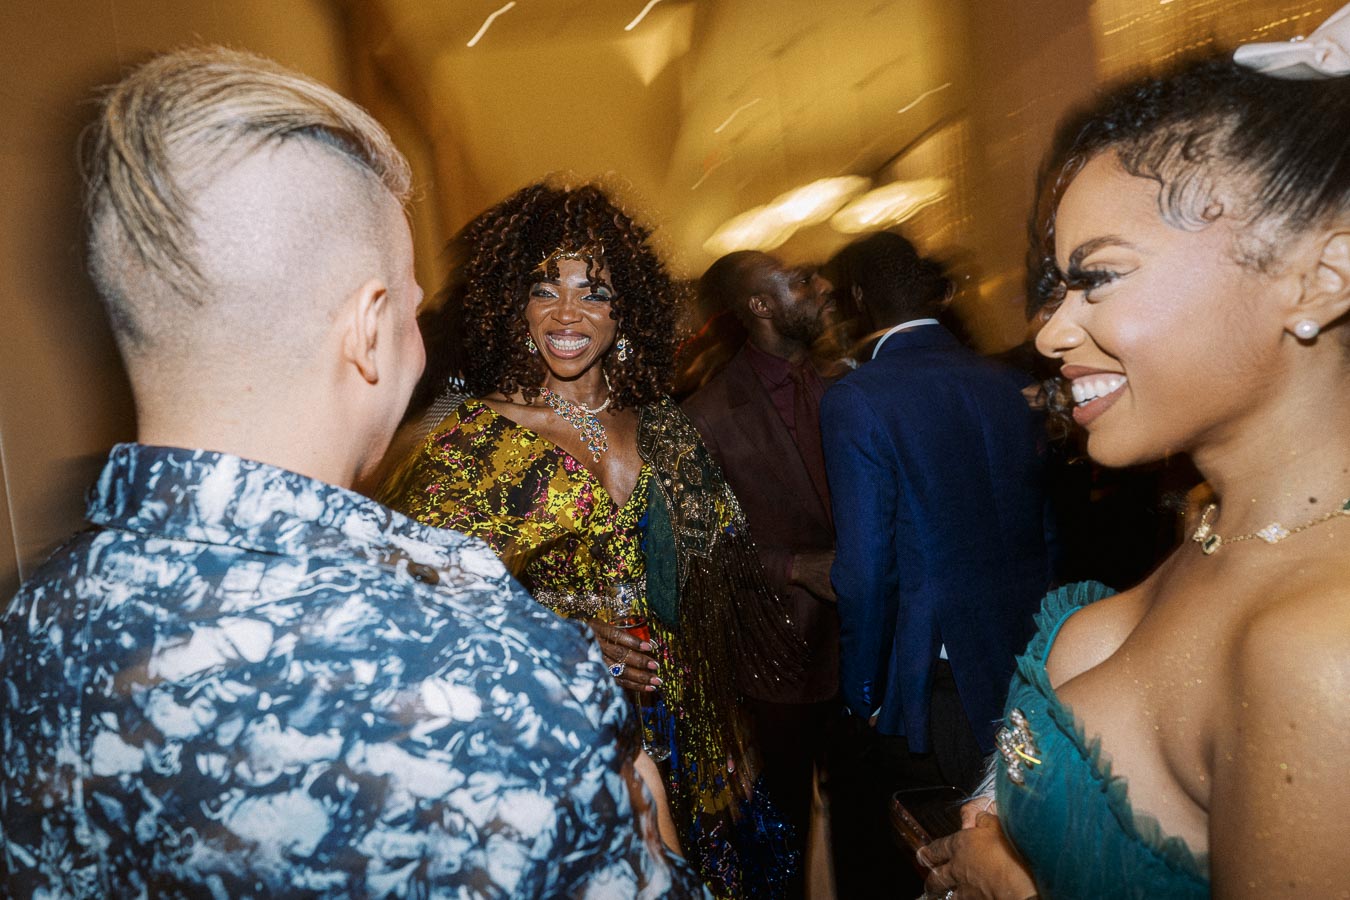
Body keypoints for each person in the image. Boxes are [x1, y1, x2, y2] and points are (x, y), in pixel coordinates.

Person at [0, 47, 707, 897]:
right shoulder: (504, 680)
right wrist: (650, 825)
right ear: (368, 330)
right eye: (411, 308)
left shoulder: (30, 630)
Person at [919, 22, 1350, 900]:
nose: (1050, 332)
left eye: (1099, 278)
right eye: (1059, 285)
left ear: (1319, 280)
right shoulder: (1218, 528)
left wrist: (1009, 885)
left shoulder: (1324, 649)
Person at [377, 180, 805, 898]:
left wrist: (734, 727)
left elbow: (714, 590)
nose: (568, 313)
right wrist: (564, 631)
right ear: (515, 306)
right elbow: (417, 619)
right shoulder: (469, 443)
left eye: (594, 292)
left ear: (626, 310)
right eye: (545, 290)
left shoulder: (666, 428)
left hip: (692, 727)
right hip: (568, 737)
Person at [819, 231, 1055, 898]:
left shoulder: (857, 397)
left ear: (860, 298)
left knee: (939, 862)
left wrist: (864, 691)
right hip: (1026, 659)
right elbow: (1045, 529)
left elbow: (864, 570)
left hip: (931, 681)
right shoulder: (1009, 381)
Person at [681, 251, 840, 898]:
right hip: (778, 657)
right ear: (762, 307)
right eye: (800, 280)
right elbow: (698, 550)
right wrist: (796, 566)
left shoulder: (850, 384)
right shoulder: (707, 415)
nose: (821, 285)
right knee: (784, 848)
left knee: (870, 831)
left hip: (867, 646)